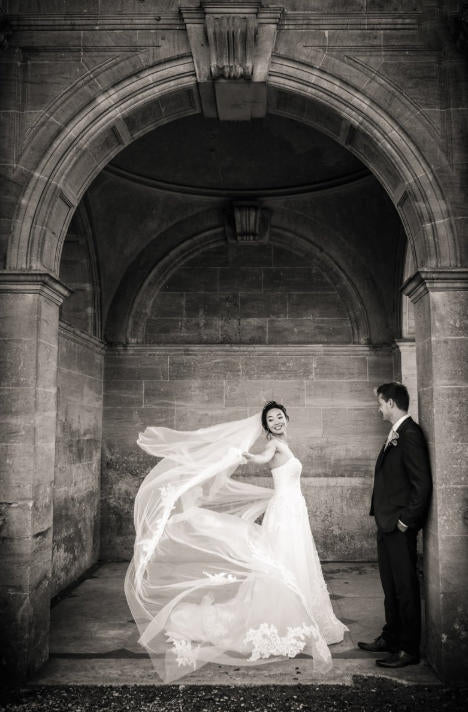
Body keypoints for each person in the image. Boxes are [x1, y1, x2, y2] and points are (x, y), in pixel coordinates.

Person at [125, 401, 347, 682]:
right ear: (266, 426)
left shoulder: (285, 444)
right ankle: (281, 620)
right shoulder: (274, 447)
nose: (277, 420)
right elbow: (262, 457)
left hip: (293, 512)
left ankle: (300, 618)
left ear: (287, 419)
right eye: (271, 419)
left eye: (280, 416)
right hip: (284, 515)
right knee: (281, 563)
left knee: (296, 562)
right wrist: (245, 456)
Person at [358, 382, 432, 668]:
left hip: (398, 526)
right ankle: (390, 636)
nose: (378, 408)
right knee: (390, 586)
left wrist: (405, 521)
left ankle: (408, 648)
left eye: (379, 402)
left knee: (405, 588)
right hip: (386, 523)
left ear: (390, 403)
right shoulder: (396, 432)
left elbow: (421, 484)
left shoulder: (410, 434)